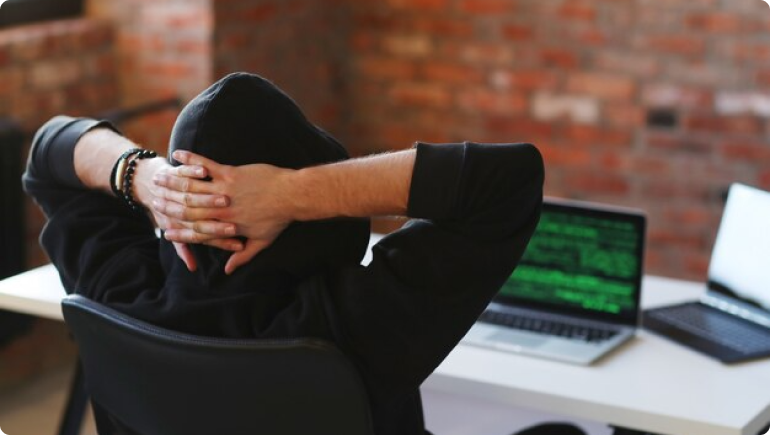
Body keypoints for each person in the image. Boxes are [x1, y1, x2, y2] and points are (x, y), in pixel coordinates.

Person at [24, 72, 584, 435]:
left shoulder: (120, 293)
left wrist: (140, 175)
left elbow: (50, 150)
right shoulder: (345, 326)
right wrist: (293, 193)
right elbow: (506, 180)